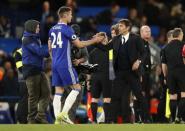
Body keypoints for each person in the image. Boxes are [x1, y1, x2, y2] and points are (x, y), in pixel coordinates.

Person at [48, 6, 104, 124]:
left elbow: (49, 47)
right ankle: (64, 114)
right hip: (64, 63)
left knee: (59, 91)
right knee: (77, 88)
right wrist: (94, 40)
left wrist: (55, 59)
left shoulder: (52, 29)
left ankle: (57, 120)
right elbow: (79, 44)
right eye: (70, 14)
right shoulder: (67, 29)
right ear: (66, 15)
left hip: (55, 63)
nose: (72, 16)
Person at [97, 19, 150, 123]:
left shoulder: (136, 38)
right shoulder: (116, 39)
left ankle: (147, 118)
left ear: (127, 27)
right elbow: (106, 48)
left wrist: (138, 62)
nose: (119, 28)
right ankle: (111, 120)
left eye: (121, 26)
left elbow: (144, 53)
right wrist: (95, 42)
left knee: (139, 96)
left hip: (132, 73)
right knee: (115, 97)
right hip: (119, 73)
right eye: (119, 26)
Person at [22, 20, 50, 124]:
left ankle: (40, 116)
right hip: (31, 70)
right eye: (37, 27)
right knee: (33, 96)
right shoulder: (27, 39)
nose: (39, 28)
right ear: (31, 27)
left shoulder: (34, 38)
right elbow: (39, 52)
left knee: (46, 92)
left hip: (39, 69)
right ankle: (31, 119)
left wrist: (47, 52)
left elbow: (41, 53)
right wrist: (50, 48)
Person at [60, 24, 89, 122]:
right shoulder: (65, 43)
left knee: (76, 99)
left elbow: (86, 56)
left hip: (80, 75)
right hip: (68, 74)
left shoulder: (80, 43)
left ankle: (68, 120)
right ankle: (62, 119)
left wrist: (79, 60)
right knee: (65, 98)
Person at [161, 28, 185, 123]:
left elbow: (163, 65)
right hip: (182, 73)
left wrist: (165, 76)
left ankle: (173, 118)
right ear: (179, 35)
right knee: (184, 95)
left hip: (170, 74)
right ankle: (179, 117)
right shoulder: (183, 45)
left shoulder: (165, 47)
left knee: (172, 97)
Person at [89, 32, 112, 123]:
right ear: (105, 39)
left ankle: (94, 120)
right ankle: (106, 121)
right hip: (106, 76)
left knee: (94, 99)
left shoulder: (92, 52)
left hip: (95, 77)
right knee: (107, 99)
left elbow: (90, 68)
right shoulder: (109, 51)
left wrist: (88, 80)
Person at [13, 48, 28, 123]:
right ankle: (21, 119)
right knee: (24, 100)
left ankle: (23, 119)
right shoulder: (19, 52)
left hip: (27, 80)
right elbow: (20, 68)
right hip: (24, 81)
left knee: (26, 100)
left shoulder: (30, 49)